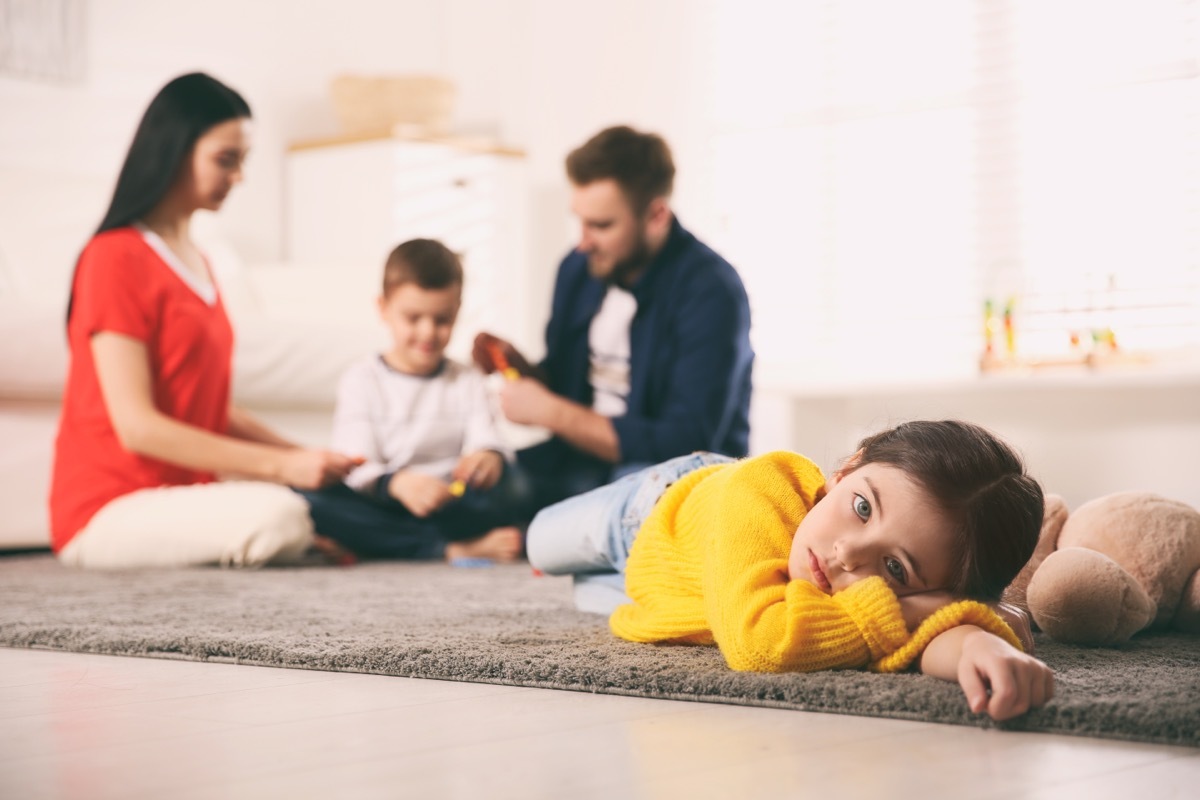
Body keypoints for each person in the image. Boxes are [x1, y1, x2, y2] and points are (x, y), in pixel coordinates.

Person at [526, 419, 1054, 722]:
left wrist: (976, 640)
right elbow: (761, 643)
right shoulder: (758, 488)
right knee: (538, 546)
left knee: (590, 597)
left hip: (684, 584)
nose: (848, 556)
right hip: (645, 513)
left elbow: (905, 636)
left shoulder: (862, 582)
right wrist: (929, 604)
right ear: (847, 467)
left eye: (895, 568)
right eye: (862, 507)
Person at [50, 72, 360, 569]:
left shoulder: (200, 261)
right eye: (225, 159)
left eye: (243, 161)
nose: (238, 177)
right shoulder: (113, 257)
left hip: (184, 495)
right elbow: (138, 428)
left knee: (325, 503)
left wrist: (310, 455)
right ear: (175, 151)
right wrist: (281, 467)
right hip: (108, 509)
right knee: (279, 513)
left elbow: (209, 408)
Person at [473, 125, 753, 516]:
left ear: (656, 215)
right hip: (578, 463)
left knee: (639, 506)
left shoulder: (712, 290)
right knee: (474, 486)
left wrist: (549, 411)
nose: (583, 241)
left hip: (666, 469)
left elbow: (687, 440)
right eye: (580, 221)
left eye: (601, 226)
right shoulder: (577, 269)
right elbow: (566, 383)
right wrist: (520, 368)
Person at [299, 239, 524, 563]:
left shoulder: (466, 378)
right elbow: (356, 464)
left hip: (452, 503)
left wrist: (487, 456)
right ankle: (448, 550)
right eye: (413, 317)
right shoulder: (362, 379)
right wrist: (397, 484)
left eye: (442, 319)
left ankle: (385, 545)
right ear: (383, 309)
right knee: (311, 499)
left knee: (515, 481)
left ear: (458, 311)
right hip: (386, 501)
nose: (428, 332)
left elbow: (486, 436)